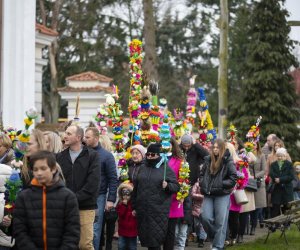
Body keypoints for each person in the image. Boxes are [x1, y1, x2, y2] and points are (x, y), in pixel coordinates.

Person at [13, 150, 80, 249]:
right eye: (35, 169)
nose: (39, 173)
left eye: (43, 168)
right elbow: (19, 230)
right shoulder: (24, 197)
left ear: (53, 169)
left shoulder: (68, 197)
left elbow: (72, 232)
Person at [57, 125, 100, 250]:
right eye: (65, 133)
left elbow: (93, 183)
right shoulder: (60, 157)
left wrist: (73, 199)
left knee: (84, 245)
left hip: (85, 207)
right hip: (64, 208)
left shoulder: (92, 156)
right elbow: (57, 180)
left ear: (78, 137)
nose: (65, 136)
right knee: (67, 244)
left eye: (69, 133)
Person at [131, 143, 180, 250]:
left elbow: (176, 186)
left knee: (155, 241)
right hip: (143, 210)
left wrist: (167, 185)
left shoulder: (165, 168)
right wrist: (134, 206)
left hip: (158, 210)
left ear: (159, 155)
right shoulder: (142, 167)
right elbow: (136, 188)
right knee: (148, 240)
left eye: (152, 154)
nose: (149, 156)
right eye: (148, 154)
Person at [84, 127, 118, 250]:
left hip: (99, 197)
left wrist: (111, 199)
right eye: (84, 136)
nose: (85, 139)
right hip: (82, 196)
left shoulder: (107, 156)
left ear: (96, 138)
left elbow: (113, 178)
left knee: (95, 229)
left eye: (87, 137)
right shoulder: (82, 153)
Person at [200, 139, 237, 250]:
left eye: (218, 147)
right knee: (205, 217)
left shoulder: (228, 161)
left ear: (222, 149)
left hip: (222, 194)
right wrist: (202, 183)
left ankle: (218, 246)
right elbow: (201, 175)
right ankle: (214, 237)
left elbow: (233, 178)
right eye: (214, 147)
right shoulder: (207, 160)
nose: (215, 149)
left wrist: (220, 184)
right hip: (209, 194)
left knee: (220, 221)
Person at [163, 137, 184, 250]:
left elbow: (183, 179)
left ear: (172, 146)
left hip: (174, 199)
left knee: (170, 231)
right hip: (159, 199)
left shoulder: (179, 161)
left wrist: (182, 195)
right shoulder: (158, 159)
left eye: (168, 144)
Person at [269, 148, 294, 217]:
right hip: (277, 189)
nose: (280, 157)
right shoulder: (273, 164)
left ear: (285, 156)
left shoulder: (289, 164)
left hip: (287, 190)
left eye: (282, 156)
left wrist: (280, 179)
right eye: (278, 156)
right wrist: (276, 179)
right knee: (275, 208)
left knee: (286, 208)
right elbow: (271, 173)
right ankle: (275, 225)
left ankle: (287, 224)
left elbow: (291, 176)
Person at [249, 142, 267, 235]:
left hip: (258, 182)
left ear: (258, 145)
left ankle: (253, 226)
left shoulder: (262, 155)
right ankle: (248, 226)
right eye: (251, 144)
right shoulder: (246, 154)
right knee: (249, 206)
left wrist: (255, 176)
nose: (253, 146)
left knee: (256, 207)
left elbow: (264, 170)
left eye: (254, 144)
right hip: (248, 181)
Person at [116, 183, 138, 250]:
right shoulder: (120, 204)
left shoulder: (134, 204)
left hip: (133, 231)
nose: (125, 197)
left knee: (132, 247)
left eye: (128, 195)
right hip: (122, 231)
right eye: (124, 195)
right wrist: (124, 205)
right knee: (121, 246)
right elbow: (120, 215)